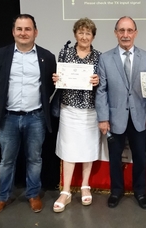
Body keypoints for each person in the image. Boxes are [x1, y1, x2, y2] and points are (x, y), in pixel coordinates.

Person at [0, 14, 56, 216]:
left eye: (28, 29)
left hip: (35, 117)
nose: (23, 33)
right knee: (6, 161)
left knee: (34, 159)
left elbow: (50, 86)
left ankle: (33, 194)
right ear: (13, 32)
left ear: (35, 32)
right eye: (19, 29)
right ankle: (3, 197)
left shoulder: (47, 57)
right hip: (8, 117)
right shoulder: (1, 54)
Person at [95, 16, 146, 209]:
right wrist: (103, 118)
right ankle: (116, 191)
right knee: (115, 157)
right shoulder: (105, 58)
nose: (125, 35)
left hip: (139, 117)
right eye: (121, 30)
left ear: (135, 33)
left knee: (139, 156)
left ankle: (140, 192)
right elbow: (101, 90)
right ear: (115, 33)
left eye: (129, 30)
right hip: (114, 118)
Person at [52, 18, 101, 213]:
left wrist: (98, 80)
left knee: (88, 148)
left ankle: (85, 185)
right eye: (80, 33)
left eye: (88, 33)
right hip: (69, 109)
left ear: (93, 36)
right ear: (75, 35)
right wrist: (56, 78)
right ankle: (65, 191)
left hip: (90, 110)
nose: (84, 36)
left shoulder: (99, 56)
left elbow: (104, 84)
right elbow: (58, 78)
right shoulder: (65, 52)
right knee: (69, 149)